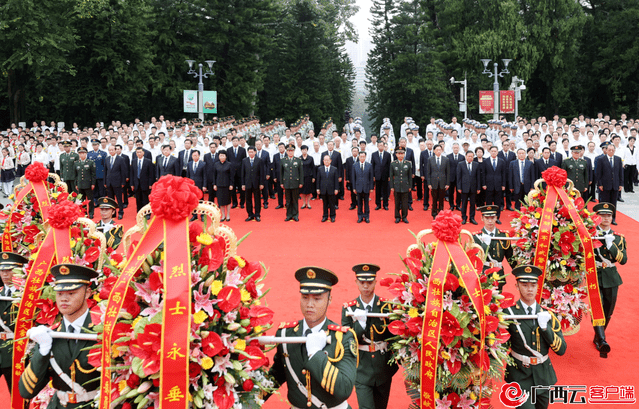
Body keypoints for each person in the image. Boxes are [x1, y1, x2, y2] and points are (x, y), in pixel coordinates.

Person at [268, 266, 358, 409]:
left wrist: (316, 354)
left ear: (329, 300)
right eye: (305, 297)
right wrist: (244, 395)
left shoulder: (343, 338)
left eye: (317, 298)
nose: (309, 304)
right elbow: (277, 375)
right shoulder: (285, 334)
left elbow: (344, 389)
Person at [19, 264, 101, 409]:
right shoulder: (51, 334)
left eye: (71, 293)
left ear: (88, 293)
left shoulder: (101, 330)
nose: (64, 299)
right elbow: (26, 391)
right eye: (60, 293)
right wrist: (43, 351)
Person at [504, 265, 567, 409]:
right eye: (524, 285)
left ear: (538, 286)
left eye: (533, 285)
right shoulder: (508, 313)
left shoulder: (548, 315)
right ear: (517, 286)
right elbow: (501, 344)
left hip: (543, 374)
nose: (529, 289)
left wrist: (545, 328)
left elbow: (561, 350)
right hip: (519, 374)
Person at [341, 264, 397, 409]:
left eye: (370, 282)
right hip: (361, 369)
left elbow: (393, 336)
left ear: (375, 282)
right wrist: (360, 324)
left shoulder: (387, 306)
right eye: (362, 282)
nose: (366, 286)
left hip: (383, 368)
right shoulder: (349, 308)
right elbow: (348, 341)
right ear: (356, 283)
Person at [592, 203, 626, 358]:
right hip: (595, 274)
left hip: (611, 276)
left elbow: (623, 260)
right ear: (597, 218)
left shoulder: (618, 237)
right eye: (602, 215)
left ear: (612, 218)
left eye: (608, 216)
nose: (605, 218)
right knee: (597, 308)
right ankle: (602, 340)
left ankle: (598, 336)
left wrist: (610, 245)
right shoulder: (590, 235)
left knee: (608, 311)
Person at [0, 252, 29, 389]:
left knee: (17, 395)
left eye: (9, 270)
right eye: (2, 270)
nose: (5, 274)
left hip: (15, 349)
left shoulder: (26, 295)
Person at [473, 205, 514, 290]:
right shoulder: (476, 237)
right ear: (482, 219)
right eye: (487, 218)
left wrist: (518, 271)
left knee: (498, 300)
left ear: (496, 218)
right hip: (484, 273)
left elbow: (510, 257)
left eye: (492, 218)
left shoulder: (503, 235)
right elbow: (475, 258)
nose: (490, 221)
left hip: (498, 273)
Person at [596, 143, 623, 225]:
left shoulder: (618, 159)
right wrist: (599, 184)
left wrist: (621, 184)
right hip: (604, 185)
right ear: (606, 150)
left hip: (615, 185)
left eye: (612, 150)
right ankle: (602, 218)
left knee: (613, 203)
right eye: (609, 150)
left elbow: (620, 172)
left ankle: (613, 218)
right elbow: (598, 173)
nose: (611, 151)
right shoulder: (601, 159)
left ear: (614, 150)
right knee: (604, 203)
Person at [482, 146, 507, 224]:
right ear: (489, 152)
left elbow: (504, 174)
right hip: (488, 185)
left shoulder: (501, 161)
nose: (493, 152)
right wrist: (483, 184)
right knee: (488, 202)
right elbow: (483, 174)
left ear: (497, 152)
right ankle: (488, 217)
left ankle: (497, 218)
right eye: (492, 151)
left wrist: (503, 184)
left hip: (498, 185)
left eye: (495, 151)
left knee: (498, 203)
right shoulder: (485, 161)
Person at [241, 146, 265, 222]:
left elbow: (262, 173)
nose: (250, 153)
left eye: (252, 152)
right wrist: (243, 184)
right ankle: (250, 214)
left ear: (255, 152)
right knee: (248, 199)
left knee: (257, 199)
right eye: (249, 152)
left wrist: (261, 183)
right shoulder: (244, 160)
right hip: (247, 183)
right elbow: (242, 173)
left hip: (256, 183)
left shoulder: (259, 160)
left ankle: (257, 214)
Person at [456, 150, 480, 225]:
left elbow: (478, 177)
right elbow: (458, 177)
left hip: (473, 188)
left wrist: (478, 188)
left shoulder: (476, 164)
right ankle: (463, 217)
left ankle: (472, 218)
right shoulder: (461, 164)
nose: (470, 158)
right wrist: (459, 187)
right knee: (464, 204)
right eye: (469, 156)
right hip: (464, 187)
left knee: (473, 204)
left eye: (472, 156)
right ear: (466, 156)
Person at [280, 144, 303, 222]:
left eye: (292, 151)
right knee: (288, 200)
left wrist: (301, 182)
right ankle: (289, 215)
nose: (290, 152)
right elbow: (281, 173)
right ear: (286, 151)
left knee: (295, 200)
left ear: (294, 151)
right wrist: (281, 182)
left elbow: (301, 173)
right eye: (289, 151)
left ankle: (295, 215)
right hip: (286, 183)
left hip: (295, 183)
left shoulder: (298, 160)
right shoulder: (283, 160)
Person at [425, 144, 449, 218]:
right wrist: (429, 183)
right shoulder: (430, 159)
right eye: (437, 150)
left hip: (442, 182)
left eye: (440, 150)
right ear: (434, 151)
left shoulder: (446, 159)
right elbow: (428, 172)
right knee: (434, 200)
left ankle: (441, 214)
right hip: (433, 182)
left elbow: (448, 172)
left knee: (441, 200)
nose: (439, 151)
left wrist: (447, 183)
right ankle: (434, 214)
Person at [104, 145, 126, 220]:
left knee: (119, 199)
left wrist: (123, 182)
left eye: (112, 150)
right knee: (111, 199)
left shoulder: (120, 159)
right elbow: (105, 171)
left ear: (115, 150)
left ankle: (121, 212)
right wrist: (105, 181)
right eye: (109, 150)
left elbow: (123, 172)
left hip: (118, 182)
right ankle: (113, 213)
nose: (111, 151)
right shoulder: (107, 159)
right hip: (109, 182)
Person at [390, 147, 412, 224]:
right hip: (397, 186)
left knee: (405, 203)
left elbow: (410, 176)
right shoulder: (393, 164)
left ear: (404, 154)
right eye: (398, 153)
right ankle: (397, 217)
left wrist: (410, 186)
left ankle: (404, 216)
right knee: (397, 202)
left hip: (405, 185)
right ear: (396, 154)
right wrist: (392, 186)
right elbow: (391, 176)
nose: (400, 155)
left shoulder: (408, 163)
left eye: (402, 153)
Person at [130, 147, 155, 212]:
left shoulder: (148, 161)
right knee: (138, 199)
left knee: (145, 199)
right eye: (137, 152)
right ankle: (139, 212)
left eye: (140, 152)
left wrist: (150, 184)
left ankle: (147, 213)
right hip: (136, 183)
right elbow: (132, 173)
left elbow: (151, 174)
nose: (139, 153)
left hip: (145, 183)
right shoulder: (134, 161)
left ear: (143, 153)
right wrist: (132, 184)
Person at [74, 147, 96, 218]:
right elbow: (75, 175)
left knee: (90, 199)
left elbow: (93, 174)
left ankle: (91, 212)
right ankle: (84, 212)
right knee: (82, 200)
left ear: (86, 154)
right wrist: (76, 184)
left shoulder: (90, 162)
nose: (82, 155)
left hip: (88, 184)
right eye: (80, 153)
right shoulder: (76, 163)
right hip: (80, 184)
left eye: (83, 153)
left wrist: (93, 183)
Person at [352, 151, 374, 223]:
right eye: (360, 156)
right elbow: (353, 178)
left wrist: (371, 187)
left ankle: (367, 216)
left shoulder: (369, 165)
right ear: (359, 157)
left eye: (363, 156)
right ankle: (360, 216)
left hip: (366, 187)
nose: (362, 158)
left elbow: (371, 178)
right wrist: (354, 188)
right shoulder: (355, 165)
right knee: (359, 203)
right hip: (358, 187)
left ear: (365, 157)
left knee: (366, 203)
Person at [316, 154, 339, 223]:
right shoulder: (320, 169)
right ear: (323, 161)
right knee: (324, 204)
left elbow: (336, 180)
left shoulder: (334, 169)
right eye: (325, 160)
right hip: (323, 189)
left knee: (332, 204)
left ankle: (332, 216)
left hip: (331, 189)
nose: (326, 161)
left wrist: (336, 189)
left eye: (328, 160)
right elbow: (318, 180)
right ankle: (325, 216)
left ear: (330, 161)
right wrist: (318, 188)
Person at [212, 150, 233, 221]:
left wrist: (231, 184)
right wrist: (214, 184)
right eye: (220, 155)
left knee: (227, 201)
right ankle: (223, 215)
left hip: (227, 185)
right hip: (219, 185)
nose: (222, 157)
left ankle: (228, 215)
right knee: (221, 201)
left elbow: (232, 176)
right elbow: (214, 175)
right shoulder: (216, 164)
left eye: (223, 155)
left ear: (226, 156)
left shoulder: (229, 164)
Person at [371, 141, 391, 211]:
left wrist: (389, 176)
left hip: (385, 175)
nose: (380, 147)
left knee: (385, 191)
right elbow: (372, 166)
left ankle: (385, 205)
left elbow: (389, 166)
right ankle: (378, 204)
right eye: (379, 145)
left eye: (382, 145)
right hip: (377, 175)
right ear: (377, 146)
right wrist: (373, 175)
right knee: (377, 191)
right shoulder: (374, 154)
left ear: (384, 146)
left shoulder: (388, 155)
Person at [87, 140, 107, 205]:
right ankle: (95, 201)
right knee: (94, 189)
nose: (95, 146)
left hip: (101, 174)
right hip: (93, 175)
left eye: (96, 144)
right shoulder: (89, 154)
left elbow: (105, 165)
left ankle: (102, 201)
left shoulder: (103, 153)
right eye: (93, 145)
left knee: (101, 189)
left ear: (98, 145)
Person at [299, 145, 316, 210]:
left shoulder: (310, 158)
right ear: (301, 150)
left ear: (307, 150)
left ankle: (308, 203)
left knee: (308, 192)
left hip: (309, 177)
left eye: (305, 149)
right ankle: (304, 203)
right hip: (302, 177)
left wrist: (313, 177)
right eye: (303, 150)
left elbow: (313, 168)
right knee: (303, 192)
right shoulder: (299, 158)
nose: (304, 151)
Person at [344, 147, 359, 211]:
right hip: (351, 178)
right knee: (352, 192)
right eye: (353, 151)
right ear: (352, 152)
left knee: (359, 192)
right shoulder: (348, 159)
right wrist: (347, 178)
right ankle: (353, 204)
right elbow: (347, 170)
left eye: (356, 151)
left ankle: (359, 204)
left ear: (358, 152)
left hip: (359, 179)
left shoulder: (360, 159)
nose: (354, 152)